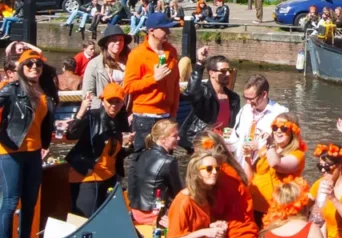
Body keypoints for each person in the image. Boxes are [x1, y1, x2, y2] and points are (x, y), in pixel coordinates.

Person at [0, 50, 55, 238]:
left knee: (30, 203)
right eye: (29, 64)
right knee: (9, 203)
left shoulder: (46, 92)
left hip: (34, 153)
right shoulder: (12, 88)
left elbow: (43, 121)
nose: (34, 67)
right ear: (21, 68)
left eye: (38, 64)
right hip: (11, 152)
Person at [65, 84, 132, 217]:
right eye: (110, 101)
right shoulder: (92, 117)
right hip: (87, 176)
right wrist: (82, 111)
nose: (114, 105)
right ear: (102, 100)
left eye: (117, 102)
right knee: (85, 220)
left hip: (109, 177)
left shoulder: (120, 122)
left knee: (109, 218)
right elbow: (71, 135)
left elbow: (113, 153)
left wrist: (129, 146)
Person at [123, 12, 180, 151]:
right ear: (151, 31)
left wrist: (173, 113)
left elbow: (175, 85)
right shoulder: (137, 54)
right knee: (141, 157)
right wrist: (153, 79)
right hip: (144, 116)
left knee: (165, 158)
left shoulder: (171, 51)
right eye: (165, 29)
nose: (169, 32)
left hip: (166, 116)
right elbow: (128, 87)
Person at [127, 119, 183, 226]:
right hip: (153, 214)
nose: (178, 138)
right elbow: (178, 193)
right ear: (162, 139)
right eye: (174, 136)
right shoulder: (168, 161)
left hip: (136, 211)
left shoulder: (142, 154)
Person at [181, 53, 238, 148]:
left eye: (229, 70)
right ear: (211, 73)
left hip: (222, 144)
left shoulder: (234, 98)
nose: (228, 74)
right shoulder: (203, 92)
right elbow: (190, 92)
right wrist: (199, 64)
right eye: (223, 71)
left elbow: (232, 125)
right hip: (201, 143)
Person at [83, 22, 130, 98]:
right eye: (114, 40)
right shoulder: (94, 64)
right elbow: (87, 93)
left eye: (121, 40)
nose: (118, 42)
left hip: (127, 108)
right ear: (106, 43)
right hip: (103, 108)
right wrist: (104, 104)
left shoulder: (131, 62)